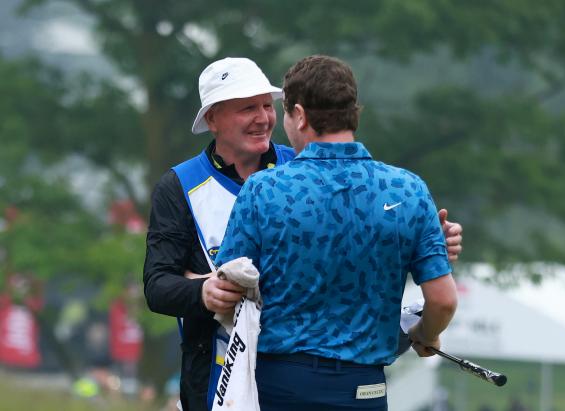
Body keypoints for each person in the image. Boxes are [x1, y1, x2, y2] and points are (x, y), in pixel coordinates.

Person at [143, 57, 462, 411]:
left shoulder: (289, 170)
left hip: (276, 381)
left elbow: (357, 239)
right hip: (214, 379)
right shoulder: (179, 186)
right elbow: (157, 286)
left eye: (267, 105)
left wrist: (428, 243)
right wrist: (201, 290)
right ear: (212, 118)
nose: (263, 118)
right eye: (247, 108)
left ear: (297, 114)